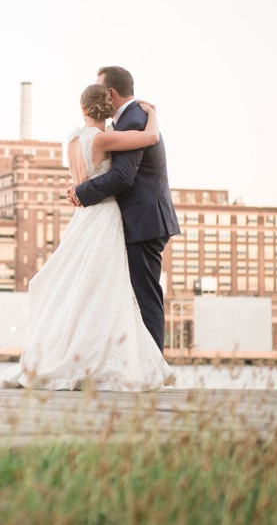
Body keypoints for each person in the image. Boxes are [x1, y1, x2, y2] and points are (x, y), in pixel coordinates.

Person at [1, 84, 175, 391]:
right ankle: (107, 358)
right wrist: (152, 114)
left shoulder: (71, 139)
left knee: (78, 287)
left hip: (81, 218)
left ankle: (64, 352)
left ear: (82, 109)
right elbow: (150, 138)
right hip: (105, 216)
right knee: (107, 289)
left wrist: (78, 191)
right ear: (106, 109)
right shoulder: (103, 138)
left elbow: (81, 178)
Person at [69, 66, 181, 351]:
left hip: (143, 223)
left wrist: (80, 192)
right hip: (132, 221)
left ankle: (152, 367)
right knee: (129, 295)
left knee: (144, 297)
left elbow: (122, 177)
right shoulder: (129, 122)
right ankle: (135, 363)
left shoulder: (132, 120)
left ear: (111, 93)